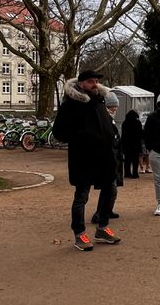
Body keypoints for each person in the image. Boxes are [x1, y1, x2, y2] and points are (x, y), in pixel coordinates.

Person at [52, 70, 121, 251]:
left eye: (96, 81)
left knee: (111, 190)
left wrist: (113, 137)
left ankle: (102, 228)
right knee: (81, 196)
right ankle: (79, 233)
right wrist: (82, 137)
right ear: (81, 83)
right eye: (91, 81)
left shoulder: (99, 101)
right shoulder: (70, 106)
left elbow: (107, 124)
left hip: (105, 158)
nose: (95, 84)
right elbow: (58, 132)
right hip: (83, 158)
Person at [91, 91, 123, 224]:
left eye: (116, 106)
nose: (115, 108)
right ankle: (100, 213)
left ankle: (106, 211)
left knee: (110, 189)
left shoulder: (110, 119)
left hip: (113, 158)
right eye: (112, 106)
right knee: (109, 189)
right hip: (107, 160)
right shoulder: (105, 120)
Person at [121, 109, 143, 179]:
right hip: (135, 144)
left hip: (126, 144)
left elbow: (123, 134)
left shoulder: (124, 123)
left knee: (127, 160)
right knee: (135, 160)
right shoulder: (137, 122)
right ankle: (135, 173)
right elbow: (140, 133)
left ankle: (127, 173)